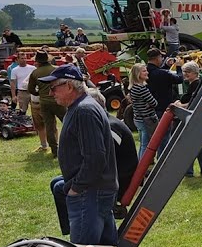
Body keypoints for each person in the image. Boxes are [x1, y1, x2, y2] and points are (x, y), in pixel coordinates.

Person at [39, 65, 118, 247]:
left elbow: (95, 158)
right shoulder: (80, 107)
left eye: (53, 88)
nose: (51, 93)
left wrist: (77, 187)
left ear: (69, 86)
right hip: (94, 190)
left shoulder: (84, 110)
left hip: (90, 192)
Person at [52, 89, 138, 233]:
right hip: (108, 174)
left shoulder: (110, 126)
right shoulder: (105, 120)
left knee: (59, 186)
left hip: (117, 178)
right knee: (56, 182)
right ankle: (71, 226)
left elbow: (101, 159)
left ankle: (75, 225)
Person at [172, 60, 202, 177]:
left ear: (195, 73)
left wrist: (179, 105)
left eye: (188, 72)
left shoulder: (196, 84)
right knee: (196, 145)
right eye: (184, 71)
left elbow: (194, 103)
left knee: (189, 144)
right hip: (191, 117)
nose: (185, 74)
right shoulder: (193, 84)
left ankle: (190, 171)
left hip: (192, 117)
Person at [27, 50, 65, 155]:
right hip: (59, 100)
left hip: (44, 102)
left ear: (38, 62)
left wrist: (40, 93)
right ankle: (73, 144)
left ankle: (54, 150)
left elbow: (30, 89)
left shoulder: (35, 73)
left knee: (49, 126)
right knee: (67, 122)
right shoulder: (57, 69)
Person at [128, 63, 161, 154]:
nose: (147, 72)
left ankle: (141, 164)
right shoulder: (141, 89)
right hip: (146, 120)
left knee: (143, 143)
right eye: (144, 71)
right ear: (138, 74)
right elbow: (154, 103)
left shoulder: (133, 88)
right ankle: (142, 165)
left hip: (138, 118)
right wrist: (150, 104)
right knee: (146, 144)